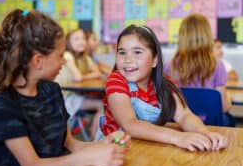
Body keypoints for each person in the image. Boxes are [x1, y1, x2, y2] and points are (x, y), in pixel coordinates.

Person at [0, 9, 130, 166]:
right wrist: (88, 157)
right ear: (38, 60)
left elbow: (70, 144)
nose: (64, 61)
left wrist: (100, 145)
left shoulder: (52, 91)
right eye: (61, 55)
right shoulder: (2, 106)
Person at [95, 24, 227, 152]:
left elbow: (184, 115)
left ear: (154, 60)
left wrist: (205, 133)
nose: (128, 59)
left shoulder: (164, 83)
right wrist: (178, 137)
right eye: (122, 52)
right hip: (113, 150)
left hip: (147, 148)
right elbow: (130, 125)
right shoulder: (116, 80)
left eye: (137, 52)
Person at [164, 14, 231, 113]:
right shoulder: (217, 65)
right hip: (209, 124)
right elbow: (224, 107)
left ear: (182, 36)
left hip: (178, 124)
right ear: (208, 36)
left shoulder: (168, 66)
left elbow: (165, 103)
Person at [56, 28, 104, 139]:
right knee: (102, 105)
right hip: (64, 98)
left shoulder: (85, 57)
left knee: (105, 101)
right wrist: (84, 77)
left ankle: (94, 133)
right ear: (68, 42)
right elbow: (78, 77)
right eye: (76, 39)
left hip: (75, 95)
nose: (81, 41)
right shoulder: (67, 55)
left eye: (82, 38)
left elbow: (98, 72)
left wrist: (84, 77)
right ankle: (94, 139)